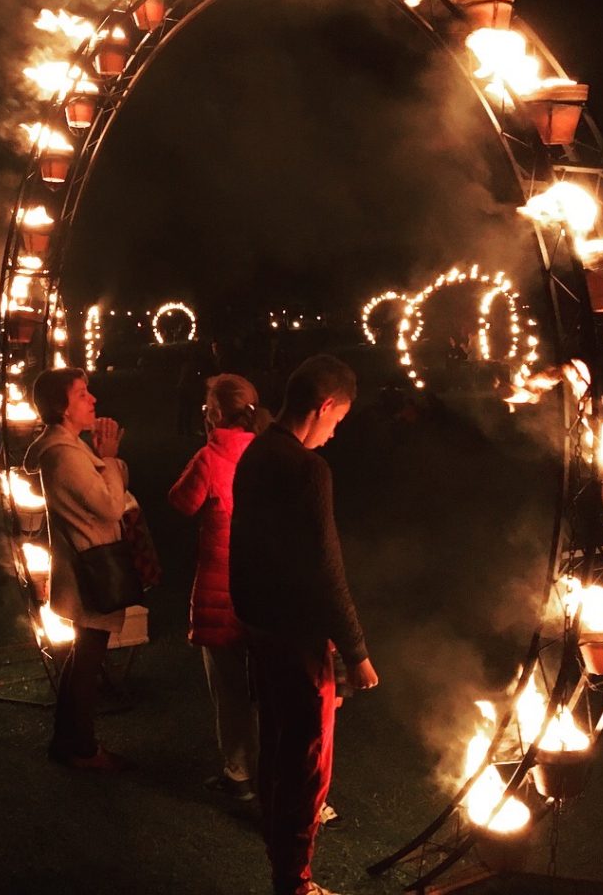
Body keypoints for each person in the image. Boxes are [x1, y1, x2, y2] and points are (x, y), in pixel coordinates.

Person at [230, 354, 379, 895]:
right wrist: (356, 652)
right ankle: (294, 882)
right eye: (337, 422)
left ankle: (282, 865)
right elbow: (326, 565)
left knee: (275, 745)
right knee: (306, 763)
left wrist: (247, 611)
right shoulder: (307, 468)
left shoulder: (257, 451)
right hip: (295, 637)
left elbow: (244, 544)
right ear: (324, 406)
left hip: (262, 627)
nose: (335, 434)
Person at [24, 367, 133, 772]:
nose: (94, 400)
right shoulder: (64, 455)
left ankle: (67, 741)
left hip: (87, 566)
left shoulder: (71, 447)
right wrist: (109, 458)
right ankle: (82, 749)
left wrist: (107, 461)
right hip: (92, 569)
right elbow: (109, 505)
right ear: (62, 408)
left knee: (84, 656)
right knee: (88, 659)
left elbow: (113, 484)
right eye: (82, 394)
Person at [169, 374, 269, 801]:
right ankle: (274, 773)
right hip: (266, 585)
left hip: (220, 588)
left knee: (228, 688)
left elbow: (181, 501)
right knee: (268, 688)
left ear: (212, 414)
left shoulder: (211, 457)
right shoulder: (272, 451)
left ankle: (239, 775)